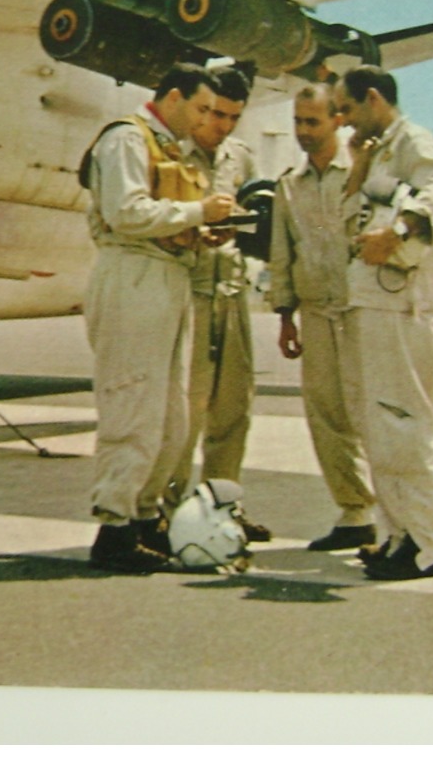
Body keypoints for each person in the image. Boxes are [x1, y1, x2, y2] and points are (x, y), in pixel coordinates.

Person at [78, 62, 235, 573]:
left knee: (171, 416)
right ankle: (114, 529)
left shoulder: (170, 148)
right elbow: (125, 211)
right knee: (133, 403)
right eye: (201, 108)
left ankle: (144, 518)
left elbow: (165, 214)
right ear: (172, 98)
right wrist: (196, 215)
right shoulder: (127, 139)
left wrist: (202, 230)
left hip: (169, 275)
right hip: (133, 276)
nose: (207, 119)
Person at [332, 65, 433, 580]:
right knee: (379, 426)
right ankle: (397, 534)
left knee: (405, 424)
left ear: (373, 99)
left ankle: (426, 544)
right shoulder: (376, 152)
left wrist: (401, 230)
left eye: (347, 110)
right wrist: (359, 170)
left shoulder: (414, 141)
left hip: (406, 308)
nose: (342, 122)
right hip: (376, 305)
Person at [268, 82, 378, 552]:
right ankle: (355, 513)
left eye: (312, 121)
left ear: (338, 119)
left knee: (373, 412)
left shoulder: (362, 172)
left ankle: (398, 514)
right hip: (314, 312)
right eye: (297, 122)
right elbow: (281, 253)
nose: (303, 132)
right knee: (326, 415)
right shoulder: (288, 185)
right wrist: (285, 315)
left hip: (361, 312)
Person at [164, 66, 272, 542]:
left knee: (233, 410)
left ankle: (222, 508)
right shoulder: (171, 153)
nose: (223, 126)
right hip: (189, 295)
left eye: (234, 117)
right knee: (184, 413)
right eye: (217, 114)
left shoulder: (240, 158)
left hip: (230, 294)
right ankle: (164, 512)